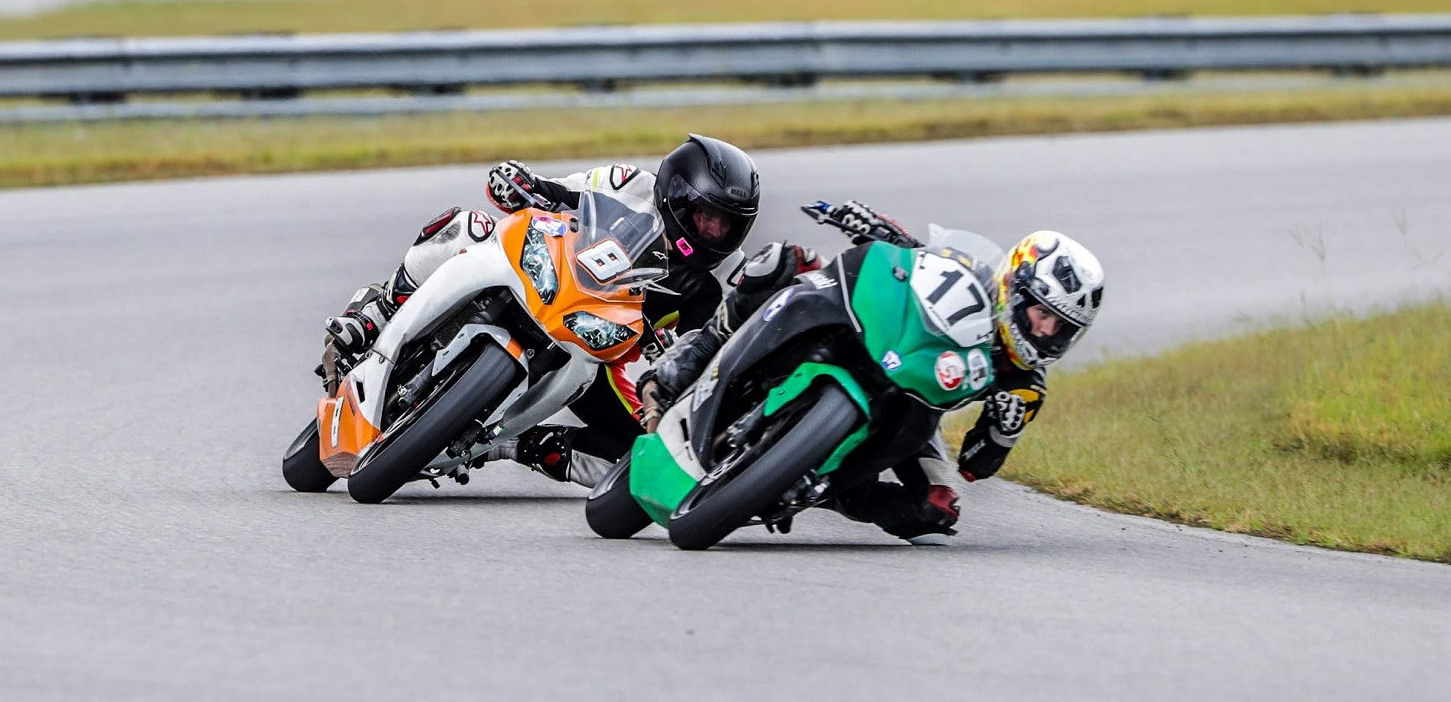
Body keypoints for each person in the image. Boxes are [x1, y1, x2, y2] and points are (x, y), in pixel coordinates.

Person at [320, 135, 816, 487]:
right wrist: (520, 182)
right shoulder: (630, 184)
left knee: (636, 447)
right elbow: (556, 190)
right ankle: (378, 311)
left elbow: (703, 346)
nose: (713, 233)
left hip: (593, 346)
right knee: (468, 227)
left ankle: (512, 444)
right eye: (706, 217)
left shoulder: (711, 287)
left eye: (727, 226)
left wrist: (670, 365)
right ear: (677, 194)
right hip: (546, 275)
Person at [637, 200, 1105, 541]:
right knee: (781, 262)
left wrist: (1000, 432)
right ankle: (692, 359)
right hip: (878, 334)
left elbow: (975, 466)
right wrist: (875, 228)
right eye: (1041, 313)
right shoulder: (975, 278)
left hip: (917, 405)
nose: (1045, 332)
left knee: (935, 508)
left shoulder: (1025, 386)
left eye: (1061, 328)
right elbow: (919, 259)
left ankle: (816, 488)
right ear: (1013, 285)